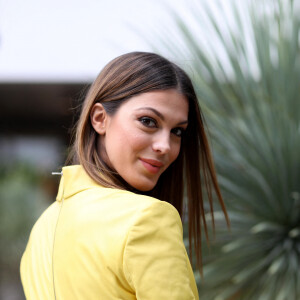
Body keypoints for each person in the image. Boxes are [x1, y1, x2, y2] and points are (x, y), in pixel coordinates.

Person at [20, 52, 229, 299]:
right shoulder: (146, 219)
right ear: (100, 119)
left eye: (177, 131)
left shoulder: (44, 227)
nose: (165, 145)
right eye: (148, 121)